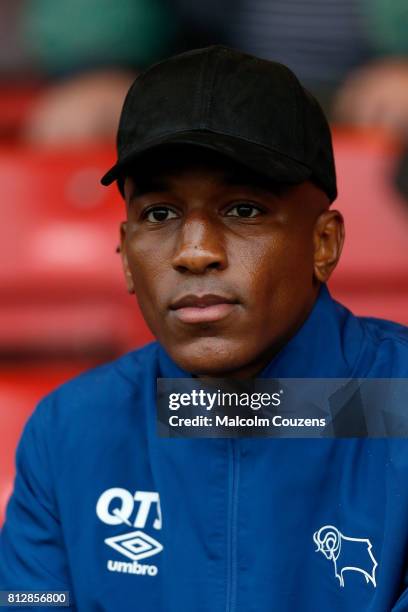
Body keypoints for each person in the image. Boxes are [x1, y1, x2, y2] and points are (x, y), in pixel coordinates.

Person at [1, 45, 408, 611]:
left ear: (324, 243)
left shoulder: (399, 405)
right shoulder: (73, 431)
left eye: (243, 209)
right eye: (160, 214)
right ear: (124, 257)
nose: (194, 253)